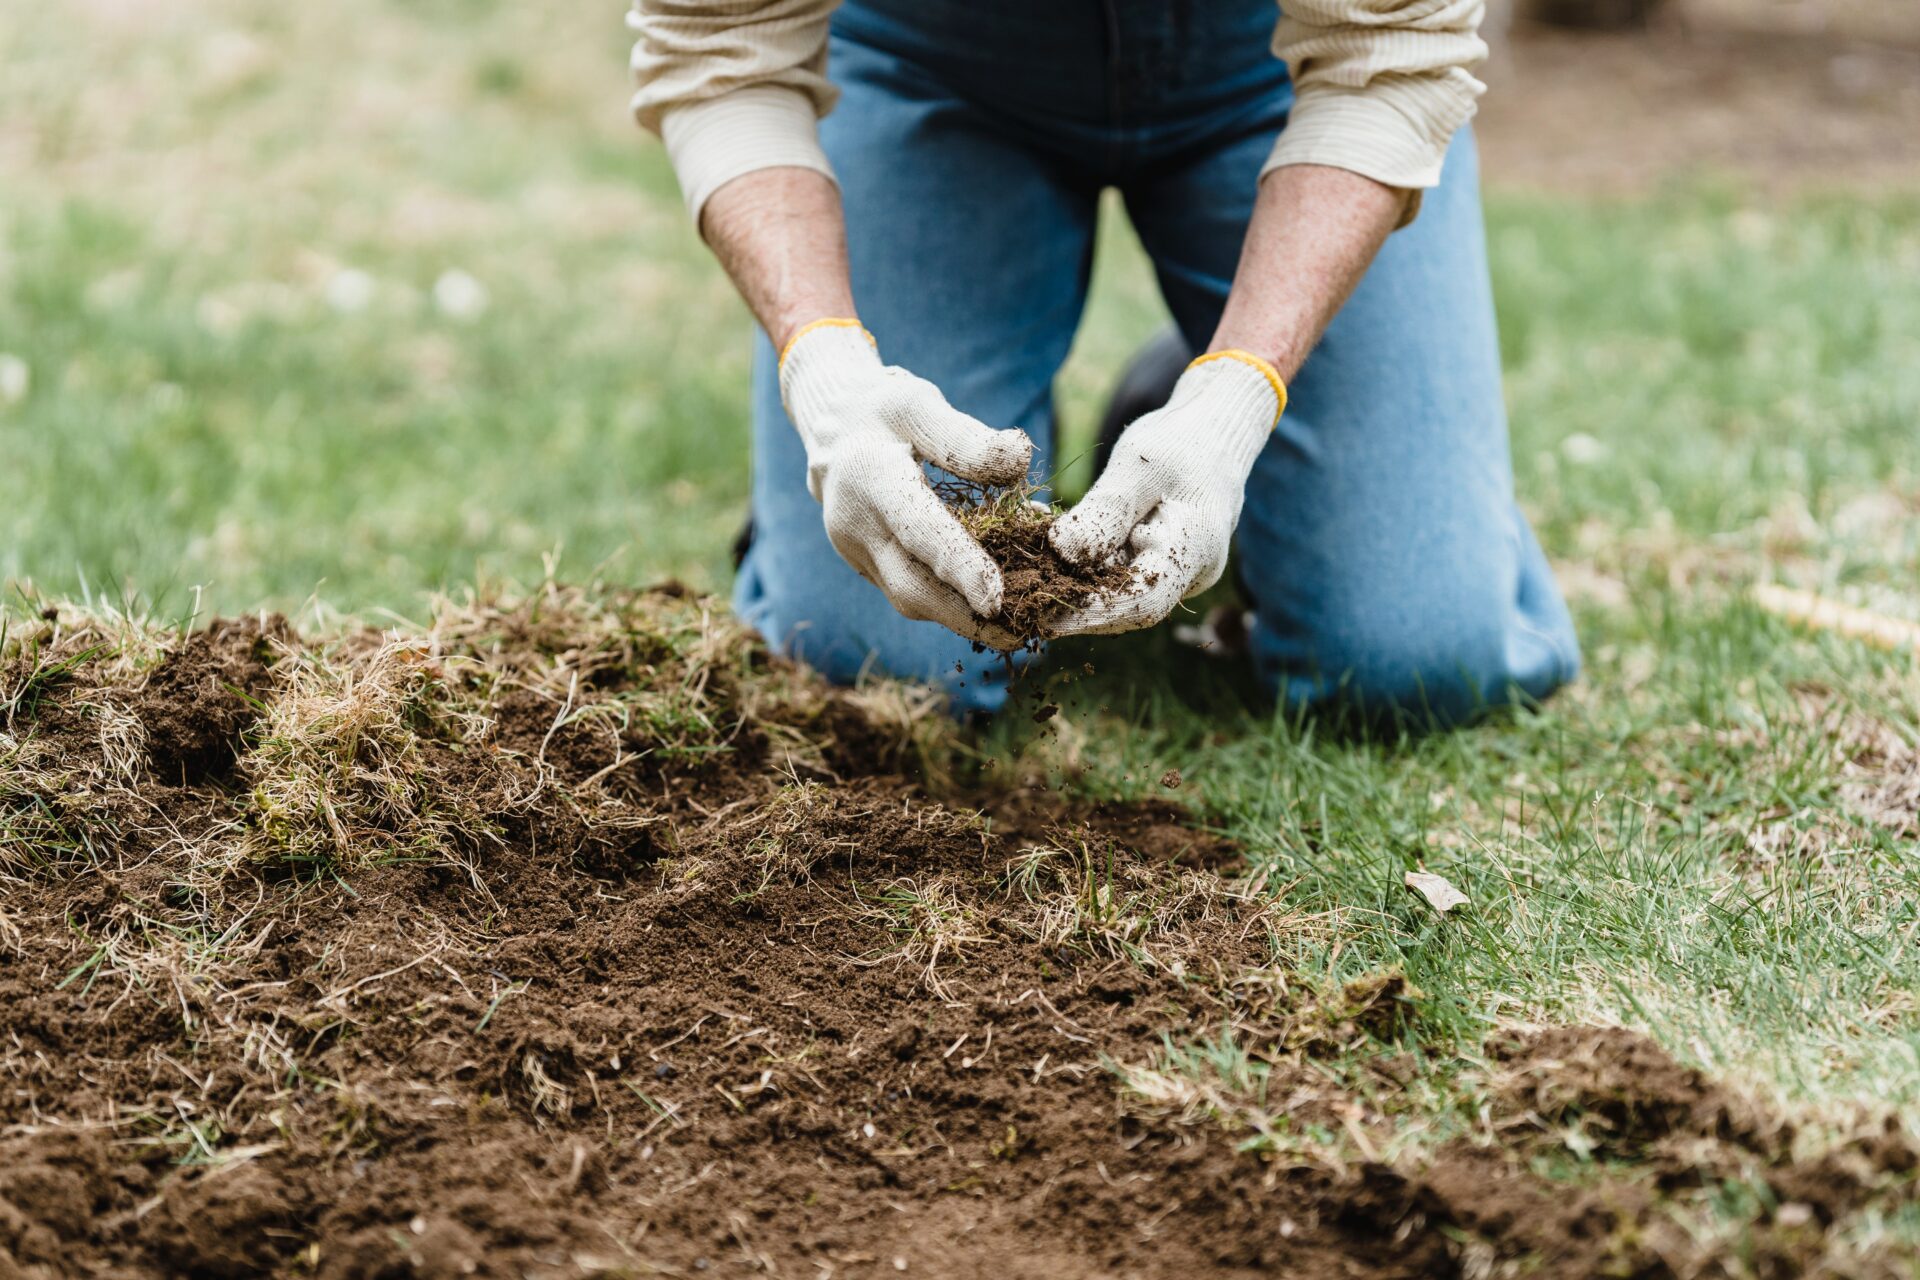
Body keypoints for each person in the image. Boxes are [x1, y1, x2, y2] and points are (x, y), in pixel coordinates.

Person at [628, 0, 1580, 724]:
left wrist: (1237, 398)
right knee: (877, 667)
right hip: (933, 61)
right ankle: (833, 475)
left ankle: (1193, 389)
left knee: (1410, 662)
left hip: (1278, 72)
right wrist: (826, 372)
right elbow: (721, 50)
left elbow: (1390, 59)